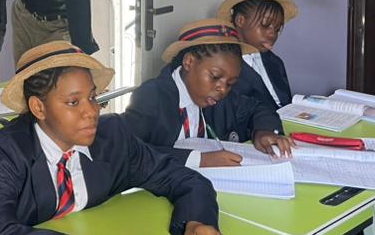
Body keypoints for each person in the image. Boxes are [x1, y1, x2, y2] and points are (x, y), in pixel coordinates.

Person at [0, 41, 231, 235]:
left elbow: (183, 179)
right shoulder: (4, 150)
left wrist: (197, 222)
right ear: (39, 108)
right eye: (73, 102)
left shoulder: (112, 137)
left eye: (93, 98)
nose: (91, 112)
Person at [122, 20, 292, 167]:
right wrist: (199, 160)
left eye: (231, 83)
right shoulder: (151, 97)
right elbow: (130, 150)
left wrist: (264, 131)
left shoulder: (218, 97)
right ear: (189, 62)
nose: (223, 89)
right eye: (215, 76)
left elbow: (257, 108)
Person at [217, 0, 297, 108]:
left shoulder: (276, 62)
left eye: (277, 29)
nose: (273, 34)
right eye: (265, 25)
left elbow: (286, 105)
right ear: (240, 20)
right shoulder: (223, 68)